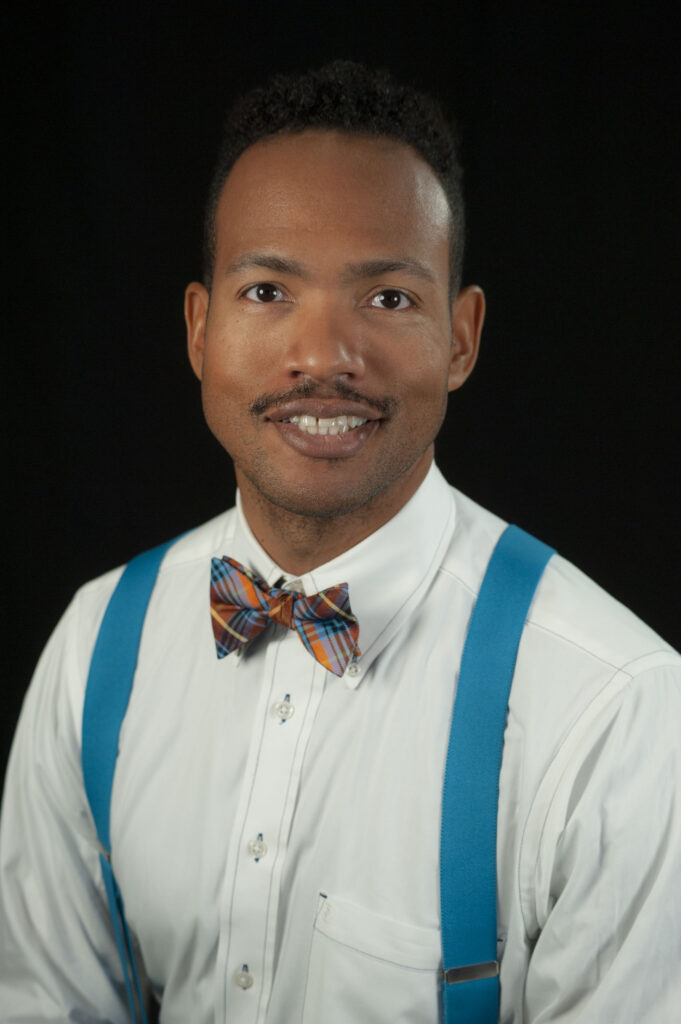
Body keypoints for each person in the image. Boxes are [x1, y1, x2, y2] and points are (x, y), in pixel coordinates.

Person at [1, 60, 679, 1024]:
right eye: (268, 290)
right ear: (200, 329)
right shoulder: (96, 644)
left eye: (388, 298)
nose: (321, 355)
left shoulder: (613, 709)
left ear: (461, 335)